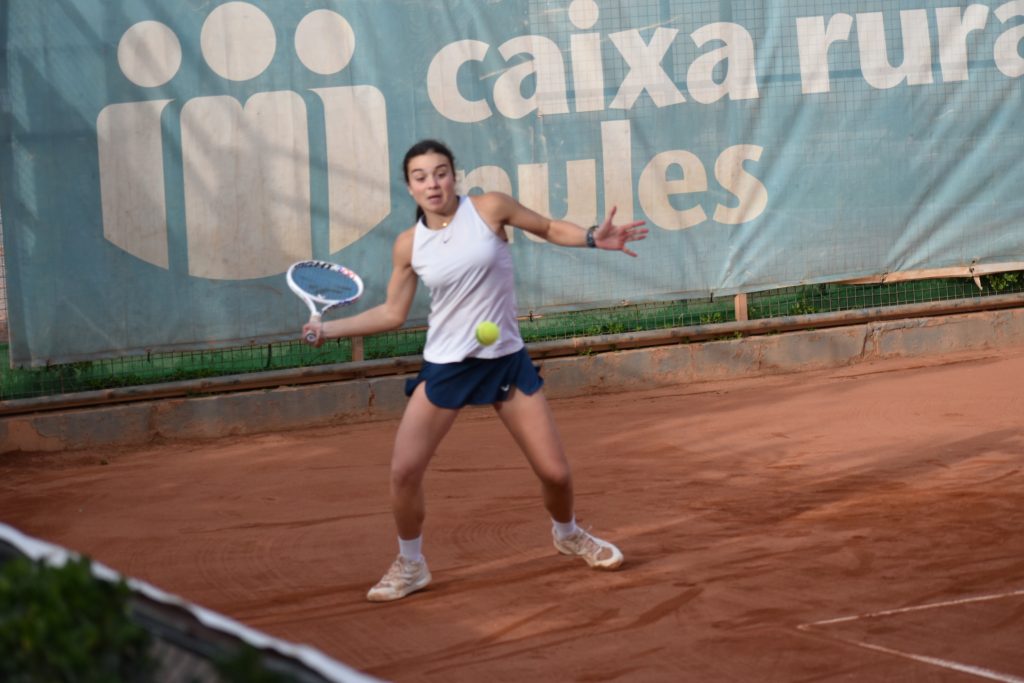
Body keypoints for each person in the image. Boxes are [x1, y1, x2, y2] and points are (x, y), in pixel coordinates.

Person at [303, 139, 648, 602]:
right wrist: (328, 329)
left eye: (440, 173)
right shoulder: (409, 245)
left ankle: (567, 534)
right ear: (409, 187)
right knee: (404, 471)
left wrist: (591, 238)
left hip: (504, 360)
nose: (432, 183)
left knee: (556, 474)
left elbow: (547, 227)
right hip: (446, 367)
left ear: (454, 176)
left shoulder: (489, 209)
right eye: (421, 177)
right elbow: (392, 313)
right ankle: (411, 563)